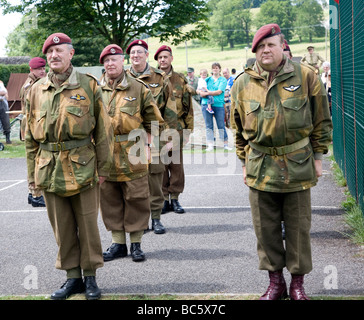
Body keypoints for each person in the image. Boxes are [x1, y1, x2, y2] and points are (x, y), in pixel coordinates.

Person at [230, 24, 333, 300]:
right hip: (259, 166)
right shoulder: (242, 83)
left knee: (298, 228)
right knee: (266, 229)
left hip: (298, 164)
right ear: (255, 51)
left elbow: (322, 120)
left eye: (271, 45)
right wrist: (243, 163)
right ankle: (275, 284)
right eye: (260, 47)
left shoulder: (307, 75)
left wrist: (319, 157)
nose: (265, 50)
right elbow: (238, 130)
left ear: (281, 46)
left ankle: (297, 285)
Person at [25, 32, 114, 300]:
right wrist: (31, 176)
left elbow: (104, 132)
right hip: (49, 169)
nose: (54, 56)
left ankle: (90, 278)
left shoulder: (88, 85)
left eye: (59, 51)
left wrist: (104, 169)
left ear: (70, 54)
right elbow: (30, 138)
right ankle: (72, 277)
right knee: (62, 228)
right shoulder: (36, 91)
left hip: (84, 167)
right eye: (50, 52)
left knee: (87, 226)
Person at [99, 44, 164, 262]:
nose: (110, 64)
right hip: (105, 154)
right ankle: (118, 244)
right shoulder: (95, 90)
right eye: (106, 61)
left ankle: (136, 244)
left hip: (133, 151)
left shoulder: (138, 88)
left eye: (114, 59)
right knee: (110, 199)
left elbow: (154, 122)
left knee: (137, 197)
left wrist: (147, 147)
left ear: (122, 61)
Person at [126, 40, 178, 232]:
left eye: (139, 52)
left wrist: (171, 138)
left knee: (155, 177)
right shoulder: (122, 78)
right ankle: (140, 220)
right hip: (130, 137)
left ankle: (156, 217)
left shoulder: (160, 77)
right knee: (133, 181)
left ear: (147, 55)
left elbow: (170, 109)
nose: (135, 56)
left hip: (155, 134)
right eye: (132, 53)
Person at [154, 45, 194, 215]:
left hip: (176, 130)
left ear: (171, 58)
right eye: (160, 57)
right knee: (160, 166)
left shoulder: (180, 80)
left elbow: (188, 108)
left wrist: (188, 131)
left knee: (176, 166)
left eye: (165, 57)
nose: (163, 60)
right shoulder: (151, 79)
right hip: (157, 131)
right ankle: (163, 199)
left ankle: (175, 199)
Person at [20, 57, 47, 208]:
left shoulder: (32, 82)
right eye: (39, 69)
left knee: (35, 159)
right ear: (31, 70)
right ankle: (36, 194)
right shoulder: (31, 85)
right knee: (36, 160)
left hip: (33, 124)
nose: (42, 71)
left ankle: (33, 193)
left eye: (43, 68)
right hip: (33, 125)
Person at [197, 62, 229, 151]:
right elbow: (198, 89)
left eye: (217, 68)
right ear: (211, 70)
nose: (215, 69)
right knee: (209, 125)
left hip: (218, 105)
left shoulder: (222, 80)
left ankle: (225, 144)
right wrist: (200, 93)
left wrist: (206, 93)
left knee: (221, 125)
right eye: (213, 68)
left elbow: (219, 92)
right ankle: (210, 144)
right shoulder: (207, 79)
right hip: (206, 104)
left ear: (220, 69)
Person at [0, 79, 11, 144]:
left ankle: (8, 138)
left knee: (5, 121)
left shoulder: (0, 83)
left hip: (2, 103)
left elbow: (4, 92)